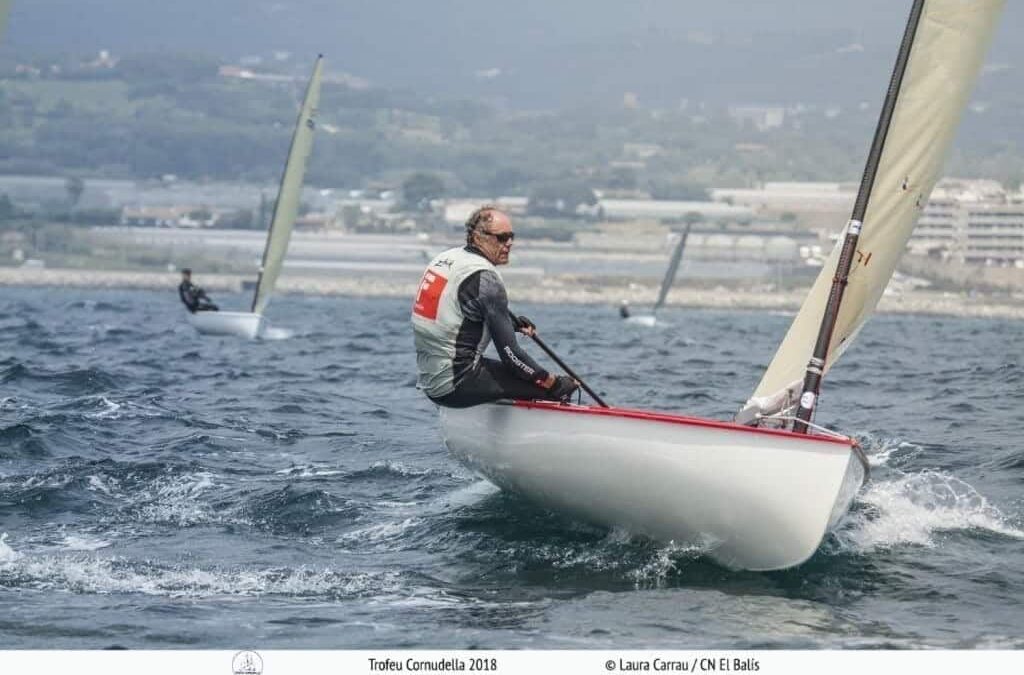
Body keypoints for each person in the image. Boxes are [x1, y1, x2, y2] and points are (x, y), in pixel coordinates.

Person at [411, 205, 579, 408]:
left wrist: (509, 322)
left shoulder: (445, 259)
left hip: (431, 380)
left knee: (524, 378)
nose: (509, 243)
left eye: (511, 237)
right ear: (478, 236)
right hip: (457, 383)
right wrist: (554, 382)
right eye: (501, 238)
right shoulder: (487, 280)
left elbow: (460, 309)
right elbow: (511, 356)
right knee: (552, 389)